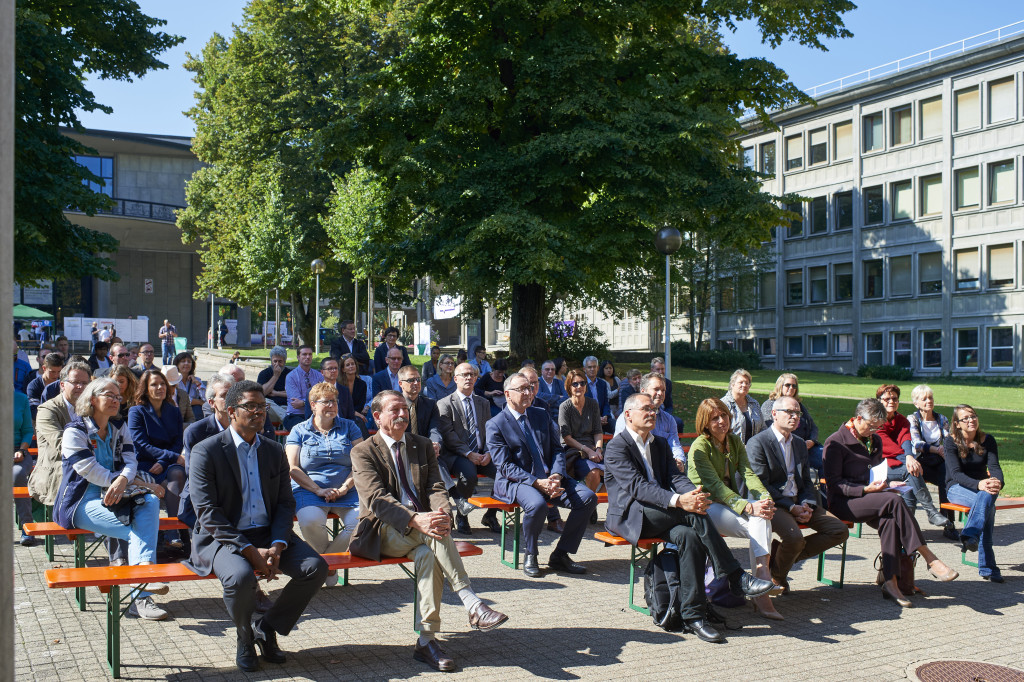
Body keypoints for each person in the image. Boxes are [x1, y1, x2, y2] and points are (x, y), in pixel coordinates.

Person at [349, 390, 508, 672]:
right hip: (382, 530)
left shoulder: (421, 445)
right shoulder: (363, 451)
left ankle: (426, 639)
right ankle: (471, 602)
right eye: (394, 410)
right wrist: (415, 519)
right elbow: (375, 500)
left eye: (404, 410)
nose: (402, 414)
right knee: (431, 531)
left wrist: (444, 513)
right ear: (377, 416)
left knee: (427, 554)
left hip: (423, 530)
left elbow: (435, 487)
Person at [604, 393, 776, 642]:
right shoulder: (617, 447)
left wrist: (692, 493)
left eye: (654, 409)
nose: (652, 413)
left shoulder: (659, 443)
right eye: (646, 409)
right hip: (633, 515)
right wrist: (679, 501)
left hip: (661, 512)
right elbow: (637, 488)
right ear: (628, 415)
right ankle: (735, 576)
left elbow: (676, 478)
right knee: (691, 511)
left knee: (690, 536)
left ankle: (694, 615)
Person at [186, 380, 328, 672]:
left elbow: (285, 504)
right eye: (249, 406)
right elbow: (207, 513)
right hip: (222, 537)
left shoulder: (273, 450)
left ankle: (267, 626)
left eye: (261, 406)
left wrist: (277, 545)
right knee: (240, 578)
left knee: (316, 568)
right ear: (231, 411)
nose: (258, 412)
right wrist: (250, 551)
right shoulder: (206, 451)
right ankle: (244, 636)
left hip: (267, 533)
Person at [55, 378, 172, 620]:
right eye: (110, 395)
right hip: (81, 503)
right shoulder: (74, 431)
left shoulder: (120, 427)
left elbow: (131, 462)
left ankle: (141, 580)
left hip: (116, 495)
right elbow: (90, 471)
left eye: (118, 397)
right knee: (140, 529)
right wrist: (124, 481)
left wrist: (123, 481)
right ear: (92, 398)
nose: (116, 400)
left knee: (149, 504)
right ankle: (142, 592)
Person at [823, 398, 958, 608]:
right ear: (858, 418)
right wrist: (866, 489)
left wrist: (886, 483)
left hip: (874, 499)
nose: (874, 431)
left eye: (878, 427)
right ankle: (929, 557)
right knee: (894, 502)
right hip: (845, 502)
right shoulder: (835, 442)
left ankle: (891, 582)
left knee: (891, 519)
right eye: (871, 426)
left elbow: (875, 472)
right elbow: (834, 485)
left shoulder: (874, 440)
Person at [487, 372, 598, 578]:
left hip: (550, 477)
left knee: (587, 498)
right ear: (507, 394)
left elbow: (557, 450)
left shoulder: (541, 414)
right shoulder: (496, 424)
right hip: (518, 481)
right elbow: (504, 466)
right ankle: (531, 553)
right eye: (522, 389)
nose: (528, 392)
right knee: (537, 505)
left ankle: (560, 554)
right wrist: (537, 482)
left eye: (530, 388)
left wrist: (556, 474)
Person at [687, 397, 782, 619]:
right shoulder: (700, 447)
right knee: (759, 518)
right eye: (715, 418)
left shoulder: (734, 441)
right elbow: (715, 487)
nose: (722, 421)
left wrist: (765, 498)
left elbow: (749, 474)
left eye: (725, 416)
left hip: (730, 504)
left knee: (762, 516)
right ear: (705, 423)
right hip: (706, 506)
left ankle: (761, 577)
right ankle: (763, 586)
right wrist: (748, 507)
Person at [746, 395, 849, 595]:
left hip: (800, 501)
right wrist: (791, 507)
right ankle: (780, 572)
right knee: (795, 539)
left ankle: (778, 567)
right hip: (774, 503)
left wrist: (807, 505)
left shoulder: (800, 443)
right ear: (774, 414)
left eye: (798, 413)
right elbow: (761, 484)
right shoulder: (758, 443)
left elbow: (806, 481)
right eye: (790, 412)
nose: (795, 417)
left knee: (839, 530)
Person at [286, 382, 363, 587]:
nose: (332, 405)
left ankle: (325, 564)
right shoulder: (299, 431)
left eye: (334, 401)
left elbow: (362, 462)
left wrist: (345, 487)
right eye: (326, 401)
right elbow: (292, 467)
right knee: (310, 521)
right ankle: (330, 564)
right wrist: (317, 489)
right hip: (309, 490)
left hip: (347, 490)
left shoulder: (350, 426)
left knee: (361, 522)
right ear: (312, 405)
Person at [127, 369, 187, 551]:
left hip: (166, 464)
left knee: (176, 474)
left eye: (162, 384)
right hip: (145, 463)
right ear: (145, 388)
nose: (160, 387)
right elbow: (141, 444)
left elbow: (178, 441)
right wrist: (170, 457)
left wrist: (163, 462)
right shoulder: (136, 411)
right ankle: (175, 533)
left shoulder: (174, 411)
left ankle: (174, 531)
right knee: (174, 477)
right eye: (154, 384)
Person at [436, 363, 500, 534]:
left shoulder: (483, 402)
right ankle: (462, 516)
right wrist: (469, 453)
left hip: (482, 453)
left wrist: (487, 452)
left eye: (472, 375)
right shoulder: (445, 404)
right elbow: (449, 436)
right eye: (464, 375)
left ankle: (491, 514)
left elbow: (489, 430)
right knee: (469, 475)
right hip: (458, 454)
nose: (469, 378)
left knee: (505, 473)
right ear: (455, 379)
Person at [945, 404, 1004, 582]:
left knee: (986, 497)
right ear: (957, 424)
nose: (971, 420)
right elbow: (955, 474)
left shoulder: (988, 440)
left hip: (984, 487)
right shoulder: (950, 441)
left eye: (973, 416)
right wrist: (979, 484)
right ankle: (988, 567)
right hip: (957, 487)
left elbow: (994, 468)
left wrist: (997, 482)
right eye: (966, 418)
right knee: (989, 508)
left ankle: (971, 534)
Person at [875, 384, 947, 528]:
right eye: (887, 399)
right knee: (911, 471)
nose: (891, 402)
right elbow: (890, 447)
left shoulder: (901, 420)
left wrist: (909, 457)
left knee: (911, 477)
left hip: (899, 464)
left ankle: (906, 530)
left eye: (895, 398)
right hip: (879, 466)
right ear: (879, 401)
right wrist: (909, 459)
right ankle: (930, 511)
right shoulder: (876, 421)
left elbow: (906, 439)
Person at [29, 361, 92, 509]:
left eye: (84, 383)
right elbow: (63, 446)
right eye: (75, 382)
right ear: (62, 385)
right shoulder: (47, 410)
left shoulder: (91, 407)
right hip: (57, 472)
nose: (80, 387)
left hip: (88, 468)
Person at [907, 384, 957, 539]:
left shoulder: (942, 419)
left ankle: (948, 522)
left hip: (939, 460)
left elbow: (948, 440)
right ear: (916, 403)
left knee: (946, 478)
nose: (929, 401)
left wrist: (943, 450)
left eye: (931, 398)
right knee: (936, 476)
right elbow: (917, 444)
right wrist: (938, 449)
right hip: (921, 461)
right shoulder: (912, 419)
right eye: (924, 399)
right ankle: (914, 525)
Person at [614, 373, 686, 468]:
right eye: (656, 389)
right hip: (635, 469)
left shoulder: (669, 420)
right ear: (643, 391)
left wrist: (679, 460)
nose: (660, 393)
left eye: (663, 390)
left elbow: (675, 445)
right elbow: (619, 450)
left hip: (664, 469)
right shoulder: (628, 416)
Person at [761, 373, 822, 472]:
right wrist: (799, 443)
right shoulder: (770, 405)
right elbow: (773, 431)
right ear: (780, 386)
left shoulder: (798, 405)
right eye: (788, 385)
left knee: (828, 457)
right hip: (785, 449)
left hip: (807, 447)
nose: (791, 388)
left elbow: (813, 427)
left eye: (794, 386)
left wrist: (812, 441)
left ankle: (828, 487)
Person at [558, 368, 604, 495]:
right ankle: (589, 506)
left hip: (592, 448)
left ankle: (593, 503)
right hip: (573, 451)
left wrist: (598, 449)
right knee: (594, 473)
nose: (579, 386)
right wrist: (588, 450)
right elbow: (566, 437)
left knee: (616, 473)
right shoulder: (565, 407)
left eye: (582, 383)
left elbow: (597, 431)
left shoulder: (593, 404)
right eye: (575, 384)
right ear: (569, 386)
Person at [13, 391, 35, 545]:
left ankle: (26, 526)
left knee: (18, 475)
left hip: (18, 451)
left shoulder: (21, 399)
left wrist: (21, 450)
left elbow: (28, 430)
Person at [284, 346, 324, 430]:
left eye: (310, 354)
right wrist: (314, 402)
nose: (308, 357)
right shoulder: (291, 377)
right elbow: (295, 403)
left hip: (316, 414)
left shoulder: (319, 375)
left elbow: (323, 398)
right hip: (295, 415)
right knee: (305, 429)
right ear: (298, 357)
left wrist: (304, 403)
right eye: (304, 354)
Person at [721, 369, 763, 444]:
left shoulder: (754, 404)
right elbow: (721, 431)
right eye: (741, 382)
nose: (744, 385)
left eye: (747, 383)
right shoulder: (723, 404)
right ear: (732, 384)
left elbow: (763, 427)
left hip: (754, 451)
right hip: (732, 450)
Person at [338, 353, 370, 434]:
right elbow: (340, 405)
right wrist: (354, 413)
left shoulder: (362, 384)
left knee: (358, 422)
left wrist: (355, 413)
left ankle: (363, 445)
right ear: (343, 369)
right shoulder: (338, 384)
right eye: (347, 365)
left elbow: (360, 405)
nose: (351, 366)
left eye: (353, 364)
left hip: (356, 415)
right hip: (340, 414)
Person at [27, 352, 64, 420]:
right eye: (52, 372)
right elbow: (34, 411)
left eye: (59, 372)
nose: (56, 375)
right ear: (44, 368)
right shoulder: (33, 386)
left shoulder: (63, 384)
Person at [318, 356, 356, 422]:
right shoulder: (315, 391)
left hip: (343, 427)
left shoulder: (344, 390)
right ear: (322, 372)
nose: (333, 371)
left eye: (335, 368)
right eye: (330, 368)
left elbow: (351, 415)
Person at [581, 356, 612, 430]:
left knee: (618, 426)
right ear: (584, 369)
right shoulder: (580, 384)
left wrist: (605, 416)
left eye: (594, 367)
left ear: (597, 368)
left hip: (603, 418)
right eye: (589, 367)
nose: (592, 369)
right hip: (587, 419)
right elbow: (581, 406)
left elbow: (605, 403)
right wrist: (597, 419)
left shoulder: (602, 383)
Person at [258, 346, 291, 411]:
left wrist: (276, 393)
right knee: (266, 403)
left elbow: (294, 393)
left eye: (280, 361)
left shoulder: (291, 374)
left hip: (287, 405)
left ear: (284, 361)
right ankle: (285, 418)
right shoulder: (264, 374)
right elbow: (261, 393)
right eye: (275, 361)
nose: (277, 364)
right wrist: (276, 376)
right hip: (270, 406)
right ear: (271, 361)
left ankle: (284, 416)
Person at [175, 352, 205, 422]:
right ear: (177, 365)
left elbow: (205, 399)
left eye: (189, 361)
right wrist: (198, 402)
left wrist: (197, 383)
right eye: (183, 361)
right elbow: (179, 399)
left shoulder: (196, 380)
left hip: (194, 414)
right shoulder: (174, 381)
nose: (186, 363)